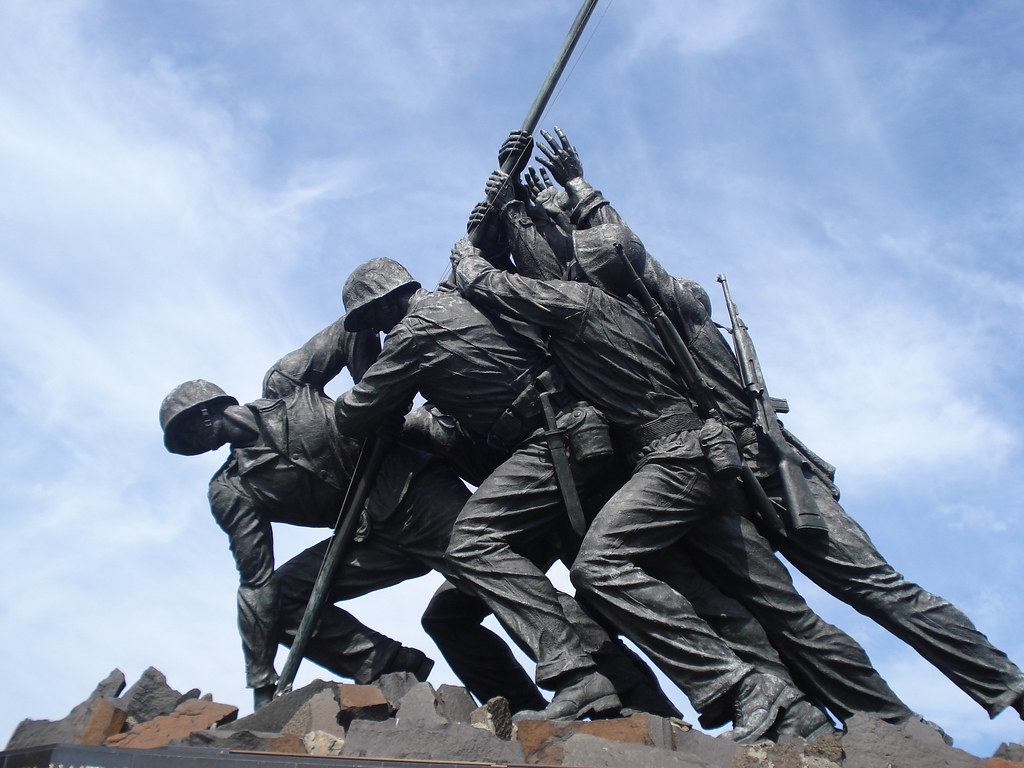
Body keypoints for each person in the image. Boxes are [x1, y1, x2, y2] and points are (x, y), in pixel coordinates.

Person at [527, 126, 1024, 724]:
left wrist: (579, 190)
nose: (577, 257)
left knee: (875, 588)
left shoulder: (674, 303)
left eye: (579, 247)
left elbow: (624, 253)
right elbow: (579, 280)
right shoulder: (615, 323)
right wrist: (527, 218)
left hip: (770, 464)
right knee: (785, 618)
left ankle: (1009, 687)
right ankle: (893, 727)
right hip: (717, 471)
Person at [449, 215, 916, 739]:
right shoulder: (628, 305)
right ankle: (802, 715)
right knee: (751, 609)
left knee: (602, 568)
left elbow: (489, 285)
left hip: (677, 460)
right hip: (687, 461)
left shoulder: (581, 304)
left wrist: (468, 250)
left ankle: (768, 691)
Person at [334, 256, 680, 723]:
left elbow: (352, 414)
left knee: (472, 544)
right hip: (542, 452)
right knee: (448, 616)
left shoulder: (413, 333)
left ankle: (579, 679)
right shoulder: (462, 301)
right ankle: (545, 708)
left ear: (384, 302)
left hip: (556, 442)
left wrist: (365, 361)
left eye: (368, 318)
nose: (369, 326)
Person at [159, 316, 470, 709]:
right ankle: (390, 666)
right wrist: (261, 680)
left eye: (186, 433)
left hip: (416, 493)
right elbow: (256, 584)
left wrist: (379, 404)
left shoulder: (286, 385)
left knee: (492, 577)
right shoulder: (231, 490)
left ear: (205, 412)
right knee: (286, 598)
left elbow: (353, 329)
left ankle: (569, 655)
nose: (192, 444)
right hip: (371, 539)